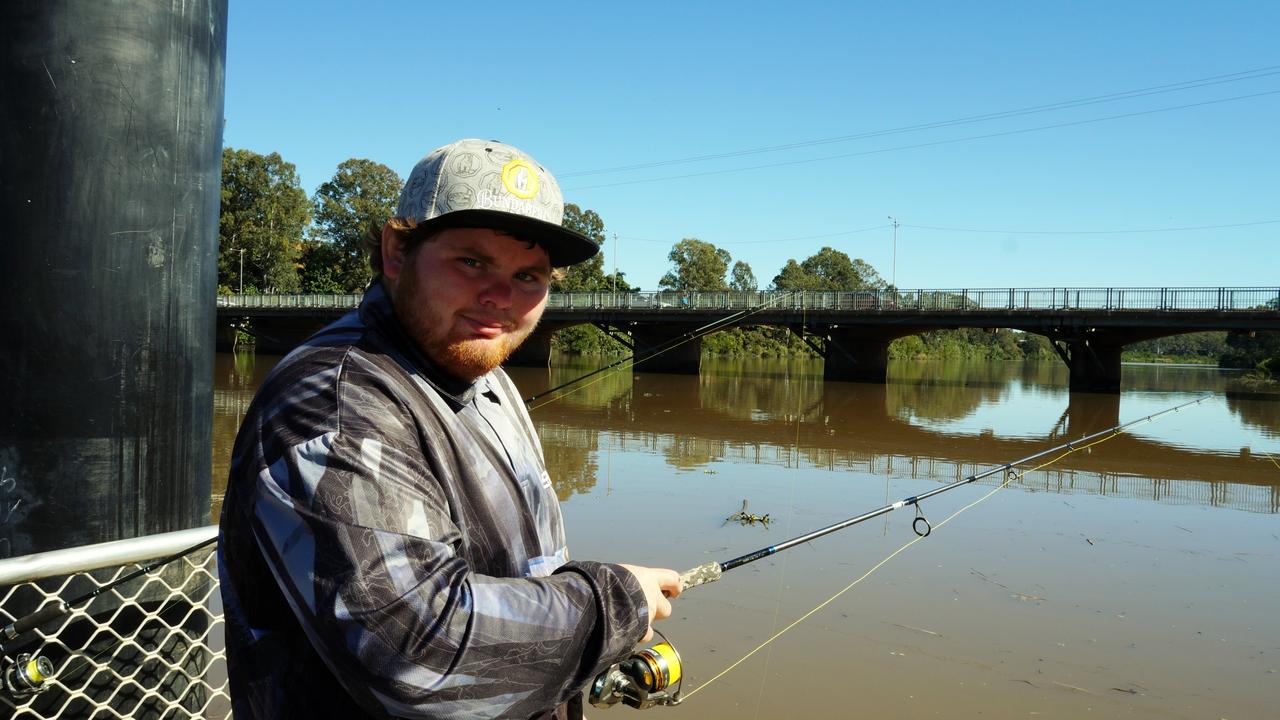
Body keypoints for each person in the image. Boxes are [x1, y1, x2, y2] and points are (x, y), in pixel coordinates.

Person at [218, 138, 682, 719]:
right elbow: (416, 651)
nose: (500, 297)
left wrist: (575, 643)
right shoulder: (333, 404)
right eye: (472, 262)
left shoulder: (484, 373)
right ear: (395, 252)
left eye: (529, 275)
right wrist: (611, 607)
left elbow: (528, 569)